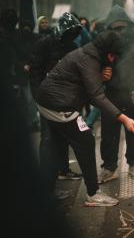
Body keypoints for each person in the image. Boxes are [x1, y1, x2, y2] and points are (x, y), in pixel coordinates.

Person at [35, 30, 134, 206]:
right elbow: (96, 96)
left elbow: (88, 86)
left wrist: (101, 78)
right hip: (59, 106)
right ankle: (93, 194)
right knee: (86, 141)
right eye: (112, 56)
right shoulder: (89, 59)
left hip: (48, 101)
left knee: (55, 146)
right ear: (106, 52)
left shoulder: (90, 53)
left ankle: (46, 192)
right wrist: (124, 118)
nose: (113, 60)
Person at [29, 12, 83, 183]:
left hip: (65, 99)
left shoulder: (72, 46)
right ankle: (46, 178)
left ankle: (63, 169)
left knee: (63, 136)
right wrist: (38, 95)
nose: (71, 35)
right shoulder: (44, 44)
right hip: (46, 99)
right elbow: (35, 71)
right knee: (48, 138)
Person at [98, 5, 134, 183]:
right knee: (109, 132)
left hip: (133, 92)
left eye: (122, 27)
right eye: (115, 28)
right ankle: (109, 167)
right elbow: (92, 64)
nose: (119, 32)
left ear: (129, 26)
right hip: (111, 93)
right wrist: (101, 73)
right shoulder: (103, 43)